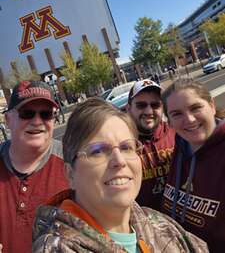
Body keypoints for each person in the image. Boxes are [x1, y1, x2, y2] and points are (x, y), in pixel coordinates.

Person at [32, 97, 208, 252]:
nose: (119, 161)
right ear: (70, 174)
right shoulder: (57, 248)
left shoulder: (160, 225)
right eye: (98, 151)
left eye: (126, 147)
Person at [0, 80, 69, 253]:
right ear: (8, 119)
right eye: (27, 113)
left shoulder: (73, 165)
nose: (37, 121)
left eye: (46, 114)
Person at [161, 78, 225, 252]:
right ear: (169, 122)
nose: (189, 119)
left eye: (195, 108)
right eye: (177, 114)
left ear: (212, 106)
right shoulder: (181, 147)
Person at [127, 79, 175, 210]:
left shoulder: (178, 134)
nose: (149, 111)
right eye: (141, 105)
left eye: (155, 105)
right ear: (128, 108)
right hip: (145, 223)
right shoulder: (120, 144)